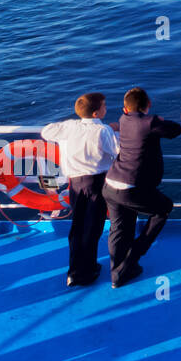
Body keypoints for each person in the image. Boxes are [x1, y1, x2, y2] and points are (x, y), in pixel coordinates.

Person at [103, 88, 181, 288]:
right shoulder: (150, 122)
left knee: (119, 229)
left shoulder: (123, 119)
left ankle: (117, 274)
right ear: (148, 106)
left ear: (125, 108)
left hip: (111, 183)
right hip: (131, 188)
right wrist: (160, 121)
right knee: (163, 208)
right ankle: (132, 258)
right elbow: (175, 131)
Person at [41, 92, 120, 288]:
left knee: (77, 227)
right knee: (92, 228)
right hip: (96, 183)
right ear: (96, 113)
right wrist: (112, 129)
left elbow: (46, 132)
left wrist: (69, 126)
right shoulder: (103, 131)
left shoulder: (68, 127)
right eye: (104, 106)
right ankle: (87, 270)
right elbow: (117, 151)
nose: (106, 109)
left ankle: (74, 270)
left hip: (75, 184)